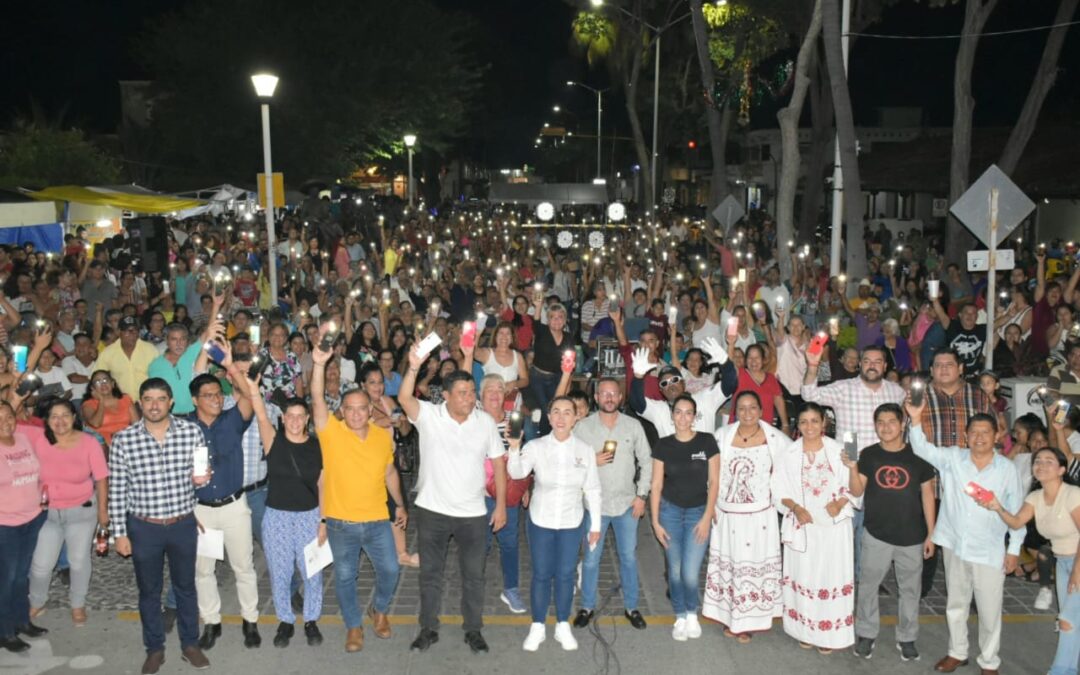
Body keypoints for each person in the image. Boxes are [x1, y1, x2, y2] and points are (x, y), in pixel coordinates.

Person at [399, 341, 507, 654]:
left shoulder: (485, 422)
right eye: (462, 393)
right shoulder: (430, 415)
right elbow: (405, 397)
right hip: (432, 510)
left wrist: (499, 505)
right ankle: (428, 628)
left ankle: (473, 630)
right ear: (445, 395)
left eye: (472, 392)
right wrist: (415, 365)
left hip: (473, 513)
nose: (470, 398)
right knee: (430, 575)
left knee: (474, 576)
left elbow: (499, 463)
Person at [904, 397, 1024, 675]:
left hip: (990, 549)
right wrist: (916, 418)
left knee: (989, 609)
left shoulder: (1007, 469)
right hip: (956, 545)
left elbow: (1017, 512)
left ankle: (989, 661)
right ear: (966, 436)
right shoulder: (953, 459)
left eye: (985, 432)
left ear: (996, 436)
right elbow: (921, 448)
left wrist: (1015, 548)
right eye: (974, 432)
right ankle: (957, 652)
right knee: (956, 603)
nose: (979, 437)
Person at [108, 378, 212, 674]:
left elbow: (200, 474)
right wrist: (120, 533)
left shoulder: (191, 433)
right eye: (148, 399)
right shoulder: (124, 439)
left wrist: (200, 481)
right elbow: (117, 489)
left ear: (171, 402)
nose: (154, 405)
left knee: (186, 587)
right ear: (140, 403)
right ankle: (154, 648)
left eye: (160, 399)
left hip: (182, 524)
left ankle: (190, 644)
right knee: (149, 591)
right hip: (144, 527)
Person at [311, 329, 405, 653]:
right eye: (349, 408)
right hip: (341, 523)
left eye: (361, 408)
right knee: (345, 577)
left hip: (378, 520)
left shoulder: (382, 436)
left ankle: (378, 611)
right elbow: (317, 401)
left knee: (391, 570)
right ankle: (353, 626)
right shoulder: (332, 433)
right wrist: (320, 365)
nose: (355, 413)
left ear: (370, 409)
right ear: (344, 410)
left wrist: (401, 505)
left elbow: (390, 471)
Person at [507, 396, 601, 652]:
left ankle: (562, 625)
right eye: (556, 412)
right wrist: (515, 447)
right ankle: (537, 625)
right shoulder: (536, 446)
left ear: (575, 418)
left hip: (572, 522)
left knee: (565, 575)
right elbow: (516, 473)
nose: (561, 417)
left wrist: (596, 526)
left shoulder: (585, 449)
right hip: (541, 520)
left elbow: (592, 488)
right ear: (549, 418)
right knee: (541, 574)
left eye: (567, 412)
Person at [980, 444, 1080, 675]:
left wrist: (1076, 570)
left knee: (1066, 620)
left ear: (1062, 469)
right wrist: (997, 507)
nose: (1041, 465)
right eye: (1037, 461)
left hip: (1077, 562)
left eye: (1048, 461)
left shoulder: (1073, 495)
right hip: (1063, 562)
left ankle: (1060, 671)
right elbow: (1016, 523)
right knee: (1071, 620)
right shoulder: (1035, 497)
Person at [849, 403, 936, 661]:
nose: (885, 427)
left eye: (891, 421)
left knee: (910, 589)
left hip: (912, 536)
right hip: (876, 534)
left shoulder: (919, 456)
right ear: (875, 426)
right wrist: (852, 466)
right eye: (880, 422)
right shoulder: (868, 454)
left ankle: (907, 637)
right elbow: (856, 491)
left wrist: (931, 534)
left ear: (902, 424)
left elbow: (928, 496)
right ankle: (866, 633)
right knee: (867, 586)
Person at [702, 391, 789, 642]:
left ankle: (748, 622)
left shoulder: (776, 439)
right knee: (732, 568)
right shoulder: (722, 436)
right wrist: (711, 506)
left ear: (761, 411)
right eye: (742, 408)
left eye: (753, 408)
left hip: (759, 518)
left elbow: (791, 468)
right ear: (735, 411)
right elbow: (710, 474)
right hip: (727, 517)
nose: (747, 413)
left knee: (752, 571)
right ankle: (730, 616)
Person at [186, 359, 261, 651]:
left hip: (234, 506)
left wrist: (231, 367)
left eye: (219, 393)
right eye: (208, 395)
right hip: (201, 509)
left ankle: (250, 621)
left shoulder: (232, 419)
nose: (216, 399)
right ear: (195, 400)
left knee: (244, 566)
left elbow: (249, 397)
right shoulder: (184, 427)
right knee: (203, 570)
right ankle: (212, 622)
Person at [244, 375, 325, 648]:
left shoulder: (317, 446)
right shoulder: (273, 441)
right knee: (280, 572)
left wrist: (323, 519)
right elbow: (259, 413)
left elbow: (323, 484)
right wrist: (254, 389)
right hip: (276, 516)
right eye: (290, 415)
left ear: (307, 419)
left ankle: (311, 620)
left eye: (300, 416)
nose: (295, 420)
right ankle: (286, 621)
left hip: (310, 515)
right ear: (283, 418)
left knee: (312, 571)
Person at [772, 403, 859, 654]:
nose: (809, 427)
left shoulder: (841, 449)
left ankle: (829, 633)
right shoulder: (788, 453)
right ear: (797, 425)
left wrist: (841, 501)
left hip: (833, 528)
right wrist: (796, 507)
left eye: (814, 421)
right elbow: (778, 488)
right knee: (804, 575)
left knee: (830, 575)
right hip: (804, 524)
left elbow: (856, 487)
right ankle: (804, 630)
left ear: (824, 423)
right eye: (803, 422)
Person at [571, 377, 652, 630]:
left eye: (613, 394)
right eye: (603, 393)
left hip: (627, 504)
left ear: (620, 398)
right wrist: (589, 460)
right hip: (594, 506)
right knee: (592, 560)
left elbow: (647, 461)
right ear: (596, 398)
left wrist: (642, 496)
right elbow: (568, 460)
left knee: (628, 557)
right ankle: (586, 606)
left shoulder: (633, 426)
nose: (608, 398)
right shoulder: (582, 427)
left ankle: (632, 607)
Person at [26, 400, 109, 627]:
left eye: (65, 415)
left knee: (78, 561)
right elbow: (10, 422)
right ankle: (37, 601)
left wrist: (103, 512)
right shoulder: (38, 439)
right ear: (47, 420)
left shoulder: (89, 442)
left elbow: (101, 478)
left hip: (81, 512)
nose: (60, 421)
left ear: (74, 418)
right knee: (41, 564)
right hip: (46, 513)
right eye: (54, 416)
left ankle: (77, 603)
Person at [650, 394, 720, 641]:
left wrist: (707, 516)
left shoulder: (707, 441)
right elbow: (656, 485)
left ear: (695, 416)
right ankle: (680, 615)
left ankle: (692, 613)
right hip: (669, 512)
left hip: (697, 513)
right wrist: (655, 521)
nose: (682, 417)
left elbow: (714, 483)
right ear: (672, 416)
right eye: (678, 412)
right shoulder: (663, 445)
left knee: (690, 572)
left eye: (688, 412)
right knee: (676, 571)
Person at [476, 374, 532, 614]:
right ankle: (473, 587)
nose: (496, 394)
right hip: (477, 494)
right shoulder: (473, 420)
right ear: (481, 395)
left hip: (507, 492)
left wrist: (525, 486)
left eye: (500, 389)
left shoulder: (514, 419)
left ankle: (510, 588)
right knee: (480, 544)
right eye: (490, 389)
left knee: (509, 543)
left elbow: (524, 455)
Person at [0, 399, 47, 653]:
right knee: (5, 580)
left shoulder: (23, 439)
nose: (5, 422)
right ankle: (5, 631)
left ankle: (21, 621)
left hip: (31, 518)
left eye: (8, 416)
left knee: (21, 577)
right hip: (5, 525)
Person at [729, 343, 789, 435]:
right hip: (739, 430)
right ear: (745, 360)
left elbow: (779, 401)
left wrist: (785, 425)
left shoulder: (771, 378)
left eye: (757, 358)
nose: (753, 361)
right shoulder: (739, 374)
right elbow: (729, 364)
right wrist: (731, 344)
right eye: (750, 358)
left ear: (763, 360)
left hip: (765, 430)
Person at [94, 316, 160, 398]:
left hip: (147, 401)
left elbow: (160, 376)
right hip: (120, 402)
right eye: (127, 330)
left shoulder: (150, 349)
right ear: (118, 332)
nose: (132, 334)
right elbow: (96, 377)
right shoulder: (108, 352)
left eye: (135, 330)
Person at [80, 370, 139, 447]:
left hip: (126, 441)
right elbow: (96, 424)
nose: (103, 383)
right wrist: (101, 401)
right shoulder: (88, 404)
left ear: (112, 383)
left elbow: (137, 425)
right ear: (92, 388)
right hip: (103, 445)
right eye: (98, 382)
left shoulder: (125, 399)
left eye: (105, 380)